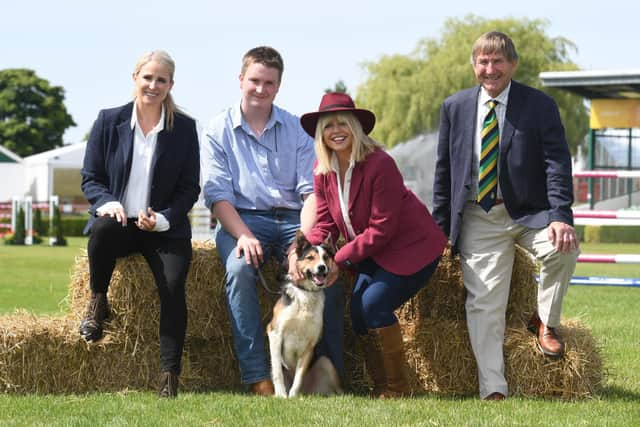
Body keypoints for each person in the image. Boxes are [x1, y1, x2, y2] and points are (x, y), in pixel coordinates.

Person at [432, 31, 580, 401]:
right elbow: (444, 173)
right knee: (484, 304)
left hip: (531, 213)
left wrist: (560, 216)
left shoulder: (540, 105)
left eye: (498, 61)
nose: (490, 68)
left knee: (563, 248)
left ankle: (546, 321)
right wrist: (439, 232)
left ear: (512, 65)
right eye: (483, 61)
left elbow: (557, 164)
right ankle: (493, 389)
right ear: (474, 66)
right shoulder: (455, 107)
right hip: (479, 217)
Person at [201, 46, 344, 396]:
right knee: (238, 271)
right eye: (254, 81)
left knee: (328, 272)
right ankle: (257, 376)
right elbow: (218, 196)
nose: (261, 89)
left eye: (269, 83)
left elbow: (310, 193)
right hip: (242, 219)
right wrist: (244, 237)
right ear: (240, 80)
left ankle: (325, 370)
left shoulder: (296, 128)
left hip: (296, 220)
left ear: (278, 85)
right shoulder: (216, 129)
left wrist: (302, 245)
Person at [299, 92, 447, 398]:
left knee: (373, 304)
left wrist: (338, 259)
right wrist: (304, 252)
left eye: (343, 123)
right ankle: (381, 386)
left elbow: (383, 227)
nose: (336, 130)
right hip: (373, 251)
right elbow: (326, 222)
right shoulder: (322, 170)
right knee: (358, 310)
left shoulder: (380, 163)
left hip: (412, 247)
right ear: (320, 133)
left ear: (356, 127)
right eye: (328, 126)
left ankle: (398, 388)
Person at [79, 50, 201, 398]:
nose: (153, 85)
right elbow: (91, 177)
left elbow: (190, 187)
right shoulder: (108, 120)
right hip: (119, 223)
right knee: (101, 229)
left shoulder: (185, 128)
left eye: (161, 79)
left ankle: (168, 377)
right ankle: (97, 302)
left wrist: (163, 218)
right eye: (147, 77)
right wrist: (108, 202)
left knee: (174, 288)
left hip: (163, 229)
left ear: (170, 85)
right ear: (135, 78)